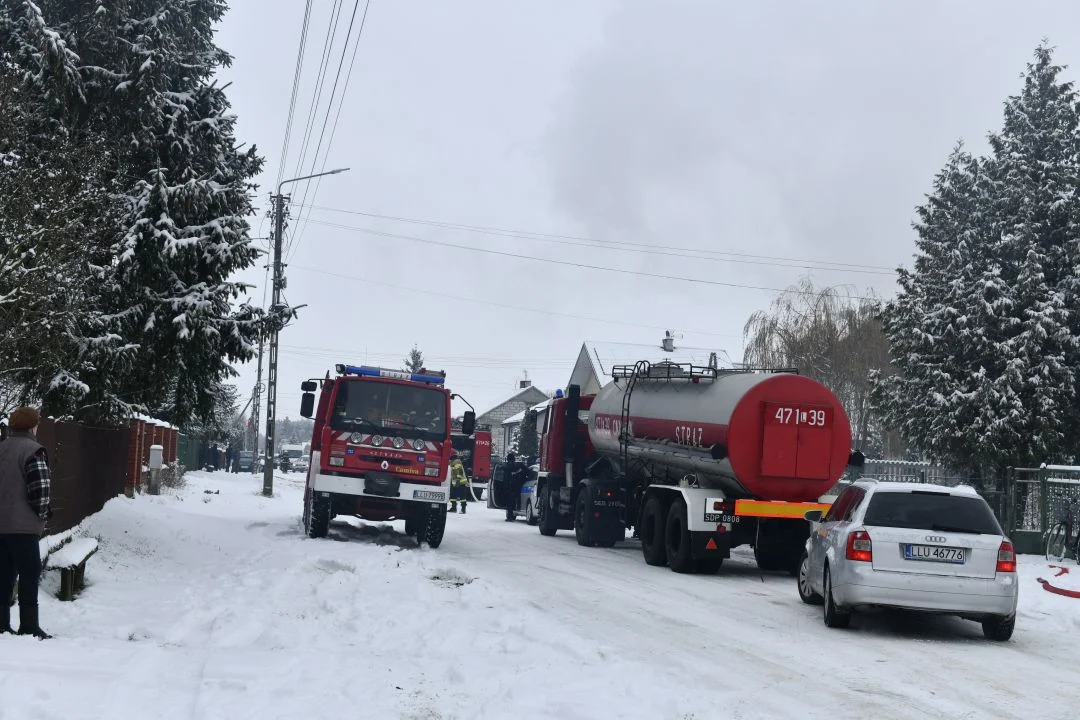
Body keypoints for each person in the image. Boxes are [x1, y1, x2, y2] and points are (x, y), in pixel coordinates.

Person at [0, 407, 53, 639]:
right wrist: (42, 515)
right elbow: (39, 491)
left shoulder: (1, 448)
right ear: (33, 426)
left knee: (3, 574)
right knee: (30, 572)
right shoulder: (34, 451)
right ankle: (29, 627)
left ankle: (2, 625)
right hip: (22, 527)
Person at [503, 452, 525, 522]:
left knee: (509, 503)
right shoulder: (518, 466)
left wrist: (505, 488)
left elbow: (506, 479)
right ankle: (512, 515)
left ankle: (510, 517)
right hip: (516, 488)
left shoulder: (506, 467)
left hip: (509, 487)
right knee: (513, 502)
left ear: (508, 459)